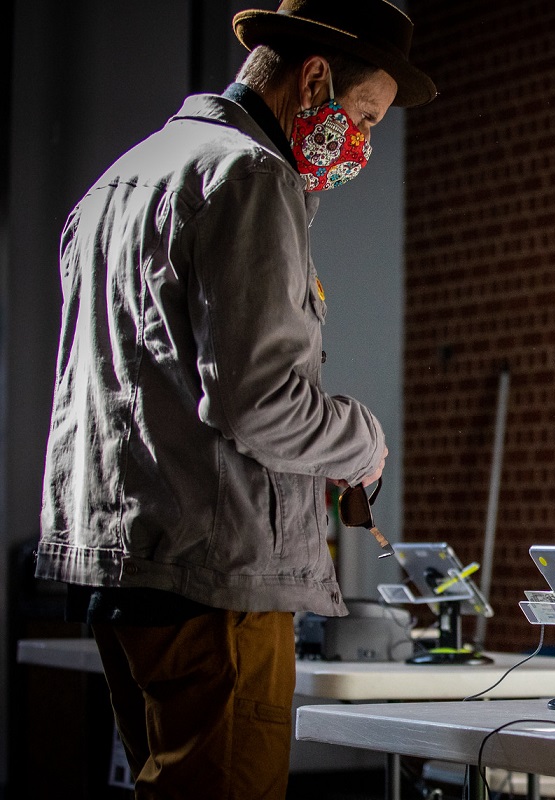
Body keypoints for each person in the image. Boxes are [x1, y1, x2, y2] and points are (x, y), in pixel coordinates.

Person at [33, 1, 435, 797]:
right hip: (214, 586)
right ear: (314, 78)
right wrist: (365, 441)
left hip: (120, 573)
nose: (363, 142)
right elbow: (260, 402)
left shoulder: (120, 179)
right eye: (363, 114)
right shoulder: (250, 176)